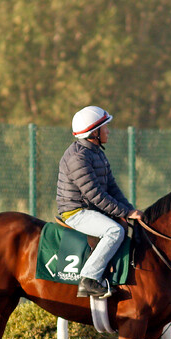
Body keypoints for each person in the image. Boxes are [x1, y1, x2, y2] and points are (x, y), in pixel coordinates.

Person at [57, 106, 144, 297]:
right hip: (75, 211)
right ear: (93, 132)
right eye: (105, 127)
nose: (108, 131)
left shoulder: (97, 152)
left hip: (91, 208)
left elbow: (111, 187)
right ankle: (89, 279)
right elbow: (96, 195)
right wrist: (124, 212)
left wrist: (129, 209)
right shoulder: (78, 158)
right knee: (114, 231)